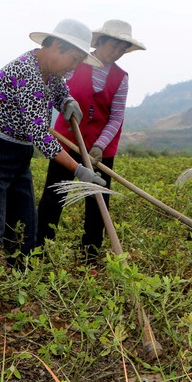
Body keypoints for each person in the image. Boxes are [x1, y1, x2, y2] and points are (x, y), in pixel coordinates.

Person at [0, 19, 106, 321]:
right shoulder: (26, 72)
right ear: (57, 46)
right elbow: (41, 137)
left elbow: (58, 90)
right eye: (74, 59)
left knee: (25, 226)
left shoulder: (50, 70)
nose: (74, 67)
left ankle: (20, 289)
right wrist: (80, 169)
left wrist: (67, 100)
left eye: (79, 62)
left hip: (17, 152)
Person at [36, 19, 146, 263]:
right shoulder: (75, 63)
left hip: (100, 149)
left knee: (98, 203)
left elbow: (116, 117)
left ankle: (90, 255)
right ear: (101, 42)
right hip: (67, 143)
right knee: (54, 197)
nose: (117, 52)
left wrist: (99, 146)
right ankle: (38, 250)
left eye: (122, 49)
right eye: (114, 45)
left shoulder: (121, 78)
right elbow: (57, 91)